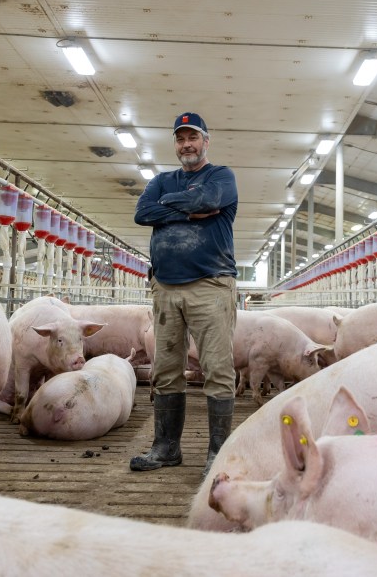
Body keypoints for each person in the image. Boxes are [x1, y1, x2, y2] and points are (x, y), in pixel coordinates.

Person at [130, 112, 238, 478]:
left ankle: (218, 453)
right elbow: (142, 213)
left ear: (206, 140)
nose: (186, 145)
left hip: (210, 284)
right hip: (165, 287)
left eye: (193, 138)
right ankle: (166, 448)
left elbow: (207, 199)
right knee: (165, 369)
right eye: (180, 139)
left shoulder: (222, 176)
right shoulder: (161, 180)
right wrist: (190, 211)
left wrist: (170, 208)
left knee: (217, 369)